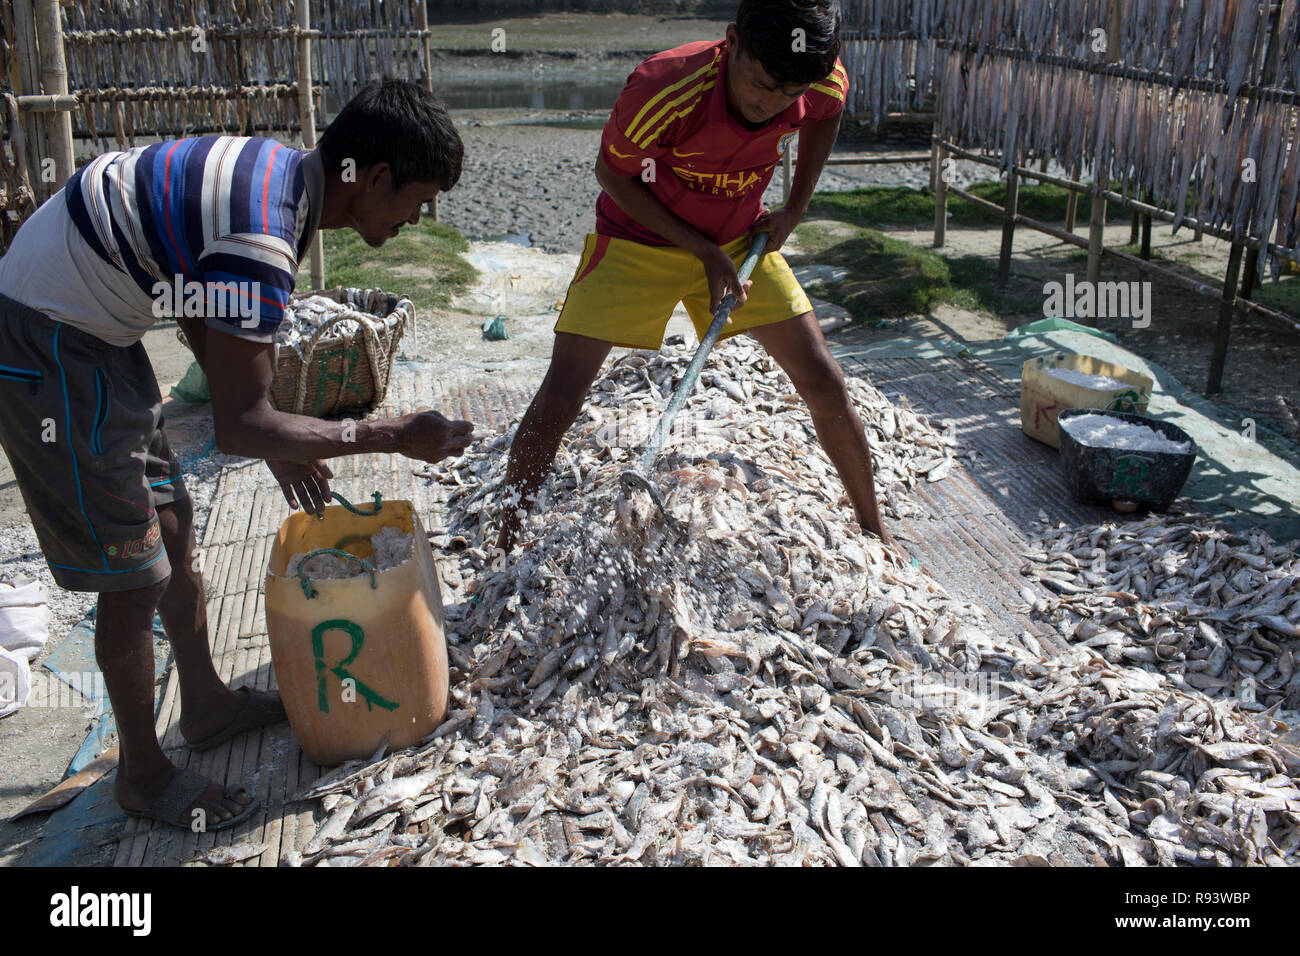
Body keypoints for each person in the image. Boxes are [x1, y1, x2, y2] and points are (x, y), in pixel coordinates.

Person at [0, 79, 474, 830]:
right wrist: (388, 434)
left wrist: (272, 429)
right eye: (415, 202)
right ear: (375, 179)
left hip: (98, 317)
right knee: (131, 574)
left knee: (176, 532)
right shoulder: (266, 232)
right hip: (52, 340)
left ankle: (208, 705)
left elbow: (201, 304)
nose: (415, 220)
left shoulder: (286, 178)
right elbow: (236, 426)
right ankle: (143, 775)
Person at [496, 0, 907, 562]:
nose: (772, 104)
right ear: (732, 42)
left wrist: (795, 208)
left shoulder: (814, 75)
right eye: (761, 85)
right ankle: (506, 536)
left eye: (789, 95)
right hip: (639, 239)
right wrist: (700, 251)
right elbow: (612, 174)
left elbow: (828, 111)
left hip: (740, 241)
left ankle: (873, 530)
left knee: (824, 379)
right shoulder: (665, 88)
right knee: (564, 392)